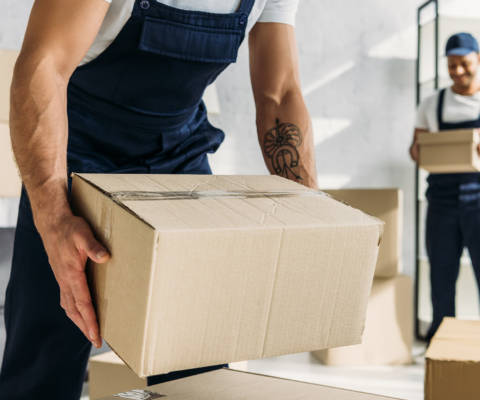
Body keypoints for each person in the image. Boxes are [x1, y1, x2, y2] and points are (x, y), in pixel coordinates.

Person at [0, 0, 318, 398]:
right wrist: (54, 218)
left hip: (178, 158)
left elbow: (280, 94)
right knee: (44, 355)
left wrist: (313, 214)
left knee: (196, 360)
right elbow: (44, 65)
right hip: (76, 156)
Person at [410, 33, 480, 341]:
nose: (458, 71)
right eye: (451, 65)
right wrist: (421, 150)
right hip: (442, 201)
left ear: (479, 60)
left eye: (464, 64)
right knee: (441, 274)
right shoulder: (432, 103)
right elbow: (415, 150)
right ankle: (442, 345)